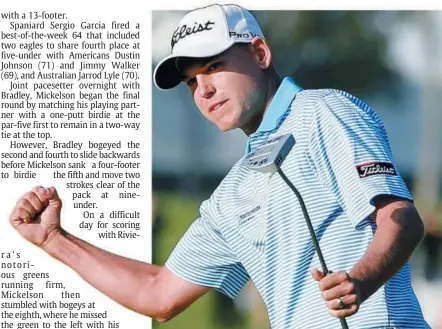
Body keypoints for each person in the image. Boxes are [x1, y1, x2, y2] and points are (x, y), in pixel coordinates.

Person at [10, 4, 430, 329]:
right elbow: (159, 295)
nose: (204, 90)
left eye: (213, 67)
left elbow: (400, 218)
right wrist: (54, 240)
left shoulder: (324, 111)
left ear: (260, 53)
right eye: (193, 81)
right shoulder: (233, 192)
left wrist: (360, 282)